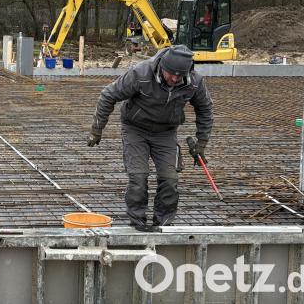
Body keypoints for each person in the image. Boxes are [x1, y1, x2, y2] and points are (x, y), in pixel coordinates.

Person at [87, 45, 213, 231]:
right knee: (138, 179)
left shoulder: (194, 82)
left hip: (166, 133)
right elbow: (108, 95)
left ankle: (163, 225)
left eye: (180, 75)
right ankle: (137, 224)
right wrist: (97, 129)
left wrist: (201, 142)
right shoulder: (141, 74)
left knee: (170, 180)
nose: (174, 79)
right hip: (135, 129)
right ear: (162, 66)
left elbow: (205, 109)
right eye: (171, 74)